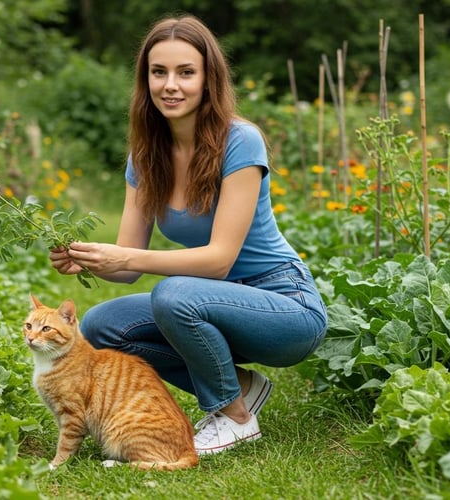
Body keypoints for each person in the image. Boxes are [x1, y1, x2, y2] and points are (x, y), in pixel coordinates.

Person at [49, 14, 327, 456]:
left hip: (284, 306)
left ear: (208, 79)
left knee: (174, 295)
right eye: (159, 73)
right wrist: (88, 257)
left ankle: (233, 418)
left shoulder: (241, 141)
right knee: (103, 326)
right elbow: (125, 265)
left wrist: (127, 260)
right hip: (212, 299)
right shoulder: (145, 157)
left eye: (186, 72)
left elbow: (217, 260)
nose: (170, 85)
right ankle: (239, 387)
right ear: (146, 81)